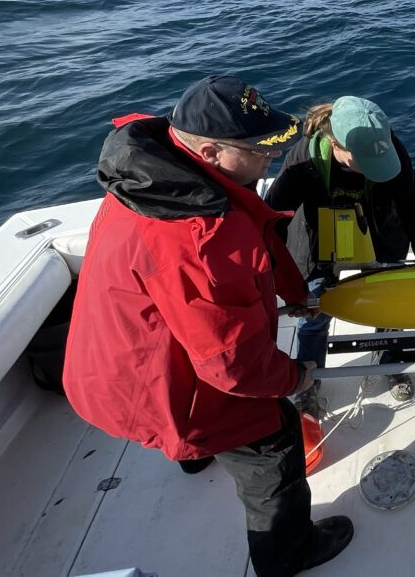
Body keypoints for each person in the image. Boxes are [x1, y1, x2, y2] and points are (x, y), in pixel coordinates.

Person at [63, 75, 353, 577]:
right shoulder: (198, 237)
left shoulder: (156, 175)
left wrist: (293, 293)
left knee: (203, 429)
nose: (271, 159)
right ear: (214, 153)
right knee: (276, 445)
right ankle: (289, 554)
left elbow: (252, 232)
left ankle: (196, 458)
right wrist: (296, 378)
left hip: (110, 369)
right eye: (260, 150)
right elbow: (233, 366)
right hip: (165, 388)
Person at [265, 95, 415, 414]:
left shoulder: (391, 150)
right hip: (320, 247)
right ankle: (309, 379)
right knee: (314, 314)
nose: (373, 171)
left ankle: (391, 364)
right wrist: (276, 276)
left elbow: (414, 206)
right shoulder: (303, 161)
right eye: (362, 161)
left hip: (380, 238)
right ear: (335, 143)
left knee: (391, 304)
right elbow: (273, 217)